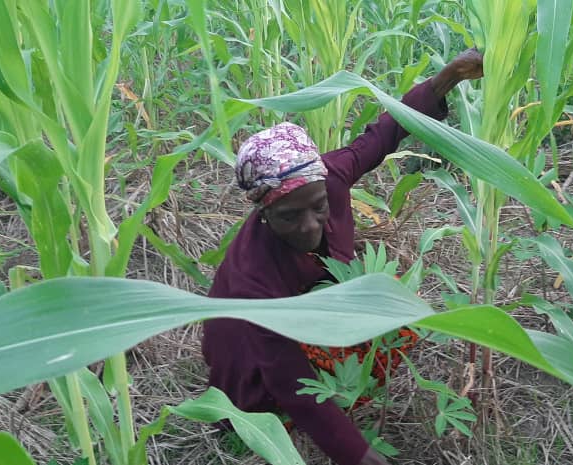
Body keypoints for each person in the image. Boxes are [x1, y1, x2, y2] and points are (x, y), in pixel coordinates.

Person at [202, 49, 483, 465]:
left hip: (316, 319)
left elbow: (385, 132)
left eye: (318, 207)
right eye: (288, 217)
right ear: (263, 212)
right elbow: (288, 376)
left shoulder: (330, 176)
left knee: (393, 325)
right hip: (249, 361)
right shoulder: (252, 279)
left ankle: (347, 387)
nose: (310, 227)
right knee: (274, 399)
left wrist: (450, 76)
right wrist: (358, 453)